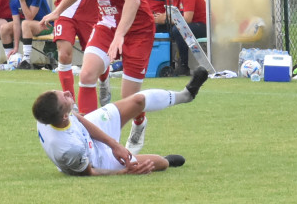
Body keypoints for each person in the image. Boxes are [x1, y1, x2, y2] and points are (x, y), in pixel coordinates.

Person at [40, 0, 159, 153]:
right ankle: (89, 136)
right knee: (86, 74)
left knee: (129, 100)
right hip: (106, 23)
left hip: (138, 28)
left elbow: (133, 0)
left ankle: (139, 123)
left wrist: (120, 36)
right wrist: (57, 11)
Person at [33, 67, 208, 176]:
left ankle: (186, 95)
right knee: (159, 163)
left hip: (86, 132)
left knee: (137, 101)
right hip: (97, 160)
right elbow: (90, 172)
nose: (67, 93)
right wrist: (124, 172)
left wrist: (114, 145)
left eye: (60, 92)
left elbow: (77, 118)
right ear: (63, 116)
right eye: (64, 98)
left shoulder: (49, 115)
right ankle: (166, 160)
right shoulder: (70, 150)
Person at [0, 0, 51, 67]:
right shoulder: (13, 0)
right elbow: (16, 24)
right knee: (4, 27)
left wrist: (22, 1)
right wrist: (16, 47)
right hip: (28, 26)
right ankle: (10, 59)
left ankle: (26, 60)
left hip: (47, 25)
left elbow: (29, 17)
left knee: (25, 23)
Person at [162, 0, 207, 77]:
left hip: (203, 26)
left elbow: (187, 19)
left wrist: (165, 19)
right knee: (161, 28)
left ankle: (183, 66)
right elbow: (172, 15)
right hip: (190, 25)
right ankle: (165, 64)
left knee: (177, 30)